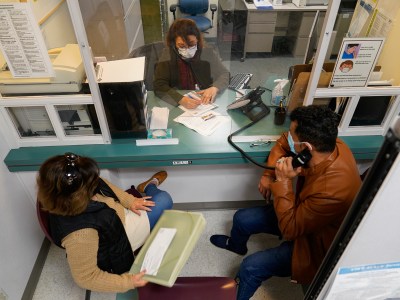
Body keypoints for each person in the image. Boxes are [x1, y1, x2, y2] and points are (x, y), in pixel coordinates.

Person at [210, 105, 362, 299]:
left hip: (313, 241)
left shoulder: (332, 191)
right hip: (301, 208)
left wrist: (282, 181)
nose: (287, 137)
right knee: (242, 218)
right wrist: (268, 173)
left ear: (306, 149)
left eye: (292, 135)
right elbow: (283, 142)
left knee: (251, 266)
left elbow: (290, 229)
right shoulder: (331, 145)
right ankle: (236, 246)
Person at [37, 153, 173, 292]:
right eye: (91, 185)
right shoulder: (80, 236)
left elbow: (101, 182)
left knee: (158, 202)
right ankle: (150, 186)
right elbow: (86, 278)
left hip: (111, 217)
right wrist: (129, 282)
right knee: (165, 199)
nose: (95, 182)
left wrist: (129, 200)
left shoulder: (59, 188)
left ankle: (146, 187)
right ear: (80, 195)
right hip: (120, 234)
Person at [153, 19, 229, 109]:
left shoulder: (207, 51)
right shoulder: (168, 55)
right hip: (178, 103)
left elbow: (224, 73)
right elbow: (159, 85)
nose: (188, 49)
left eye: (192, 44)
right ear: (173, 43)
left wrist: (215, 88)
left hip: (204, 102)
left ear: (197, 39)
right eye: (182, 46)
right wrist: (180, 99)